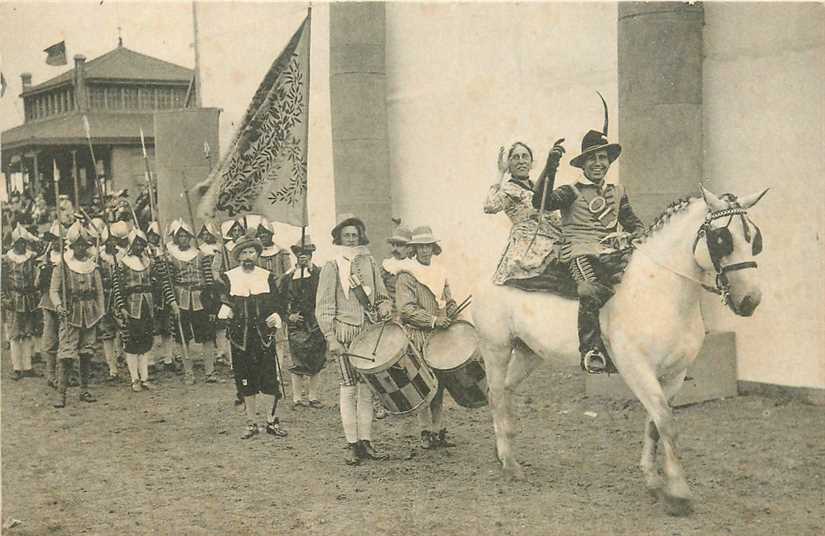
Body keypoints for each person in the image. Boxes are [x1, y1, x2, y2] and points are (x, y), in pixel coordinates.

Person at [532, 102, 644, 374]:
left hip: (612, 253)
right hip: (580, 253)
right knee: (588, 290)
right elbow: (540, 201)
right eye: (592, 159)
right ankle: (592, 350)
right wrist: (550, 166)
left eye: (602, 158)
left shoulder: (618, 192)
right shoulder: (571, 191)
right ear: (583, 164)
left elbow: (633, 223)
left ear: (609, 161)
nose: (598, 163)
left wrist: (638, 236)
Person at [316, 214, 393, 465]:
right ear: (339, 238)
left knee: (367, 390)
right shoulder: (331, 265)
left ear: (361, 237)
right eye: (346, 235)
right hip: (345, 335)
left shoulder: (369, 262)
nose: (351, 238)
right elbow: (324, 306)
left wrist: (384, 305)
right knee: (348, 389)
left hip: (369, 334)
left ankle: (367, 441)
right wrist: (331, 337)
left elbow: (382, 294)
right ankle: (352, 444)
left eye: (355, 235)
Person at [217, 232, 288, 439]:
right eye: (244, 253)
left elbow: (278, 302)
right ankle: (251, 422)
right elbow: (222, 299)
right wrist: (224, 307)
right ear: (238, 256)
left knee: (268, 379)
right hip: (240, 338)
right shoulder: (229, 278)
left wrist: (276, 315)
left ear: (257, 255)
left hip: (263, 336)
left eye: (252, 252)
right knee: (245, 380)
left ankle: (271, 421)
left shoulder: (267, 277)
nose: (248, 256)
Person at [394, 225, 459, 449]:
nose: (424, 251)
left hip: (439, 336)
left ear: (434, 248)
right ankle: (424, 431)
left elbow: (448, 298)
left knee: (440, 384)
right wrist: (433, 320)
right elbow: (405, 309)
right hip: (418, 335)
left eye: (428, 246)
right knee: (423, 384)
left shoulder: (440, 272)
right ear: (414, 249)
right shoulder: (406, 275)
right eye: (420, 247)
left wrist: (451, 309)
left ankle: (437, 428)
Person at [484, 141, 566, 286]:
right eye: (515, 157)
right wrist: (500, 173)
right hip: (529, 240)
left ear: (531, 162)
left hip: (554, 233)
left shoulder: (539, 185)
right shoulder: (508, 189)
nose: (521, 161)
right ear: (509, 164)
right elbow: (489, 206)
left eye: (525, 156)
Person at [50, 222, 105, 407]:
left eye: (84, 245)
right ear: (72, 246)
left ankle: (84, 389)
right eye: (78, 245)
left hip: (90, 313)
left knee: (87, 352)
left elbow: (99, 292)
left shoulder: (92, 266)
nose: (81, 248)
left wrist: (101, 312)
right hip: (70, 313)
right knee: (66, 354)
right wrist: (58, 306)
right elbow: (53, 291)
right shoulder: (62, 265)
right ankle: (61, 393)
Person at [113, 229, 175, 392]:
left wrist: (157, 258)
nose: (139, 246)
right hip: (132, 305)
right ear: (131, 244)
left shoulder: (149, 261)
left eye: (142, 243)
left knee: (147, 341)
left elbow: (162, 278)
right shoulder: (122, 262)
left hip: (148, 305)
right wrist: (122, 307)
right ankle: (135, 379)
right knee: (132, 342)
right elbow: (117, 288)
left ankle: (145, 377)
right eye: (136, 243)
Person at [164, 219, 216, 384]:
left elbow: (209, 281)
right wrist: (172, 302)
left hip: (201, 298)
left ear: (190, 237)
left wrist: (211, 304)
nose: (183, 239)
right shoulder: (171, 258)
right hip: (181, 299)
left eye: (186, 236)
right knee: (182, 336)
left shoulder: (201, 255)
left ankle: (210, 372)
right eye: (180, 236)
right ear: (176, 238)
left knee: (207, 336)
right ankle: (188, 373)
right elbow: (168, 283)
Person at [278, 234, 326, 408]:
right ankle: (297, 398)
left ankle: (313, 397)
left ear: (312, 254)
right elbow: (278, 301)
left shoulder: (320, 274)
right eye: (299, 253)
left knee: (316, 358)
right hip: (296, 322)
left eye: (306, 253)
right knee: (297, 359)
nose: (303, 256)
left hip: (316, 321)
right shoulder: (288, 277)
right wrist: (288, 316)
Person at [2, 224, 40, 380]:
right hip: (14, 298)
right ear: (14, 243)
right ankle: (17, 367)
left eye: (24, 242)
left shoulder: (31, 257)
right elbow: (2, 282)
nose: (22, 245)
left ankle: (28, 366)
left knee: (27, 332)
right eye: (19, 243)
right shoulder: (6, 259)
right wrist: (4, 299)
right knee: (15, 334)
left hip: (29, 298)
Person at [35, 222, 64, 388]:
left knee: (66, 338)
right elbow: (37, 283)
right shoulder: (45, 258)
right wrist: (44, 270)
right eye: (52, 240)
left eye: (57, 239)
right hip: (49, 302)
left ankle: (66, 373)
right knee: (51, 337)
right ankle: (51, 374)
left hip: (66, 302)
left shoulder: (69, 256)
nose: (54, 242)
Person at [94, 220, 122, 383]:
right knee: (107, 334)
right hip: (105, 299)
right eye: (109, 240)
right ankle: (112, 368)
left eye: (114, 240)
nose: (112, 243)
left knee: (124, 330)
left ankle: (123, 357)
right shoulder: (99, 257)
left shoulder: (123, 255)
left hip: (120, 298)